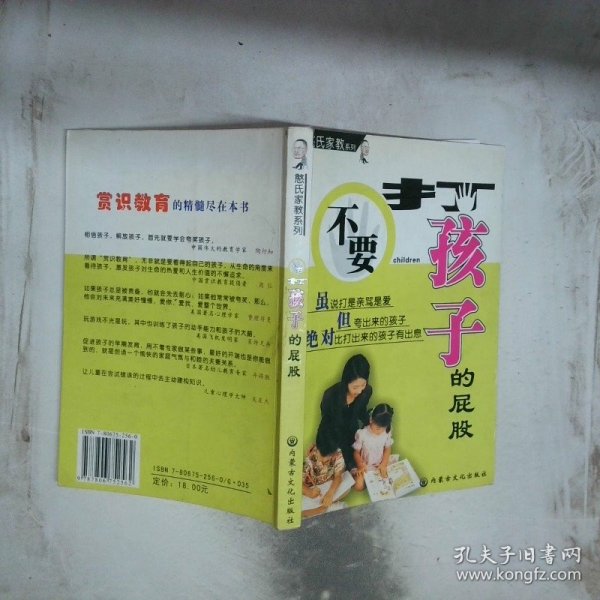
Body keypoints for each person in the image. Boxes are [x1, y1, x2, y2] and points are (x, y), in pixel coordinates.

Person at [319, 354, 372, 470]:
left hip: (352, 432)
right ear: (346, 381)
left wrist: (371, 424)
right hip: (333, 434)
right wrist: (321, 447)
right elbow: (327, 422)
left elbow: (361, 411)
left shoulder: (367, 391)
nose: (359, 391)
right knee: (333, 468)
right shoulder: (330, 395)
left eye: (363, 385)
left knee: (357, 465)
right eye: (355, 387)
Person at [301, 427, 349, 518]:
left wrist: (330, 493)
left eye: (327, 458)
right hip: (313, 490)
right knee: (299, 509)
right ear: (317, 447)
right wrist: (309, 492)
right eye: (321, 456)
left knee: (347, 486)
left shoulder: (338, 454)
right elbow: (298, 482)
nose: (323, 461)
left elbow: (338, 476)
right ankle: (325, 509)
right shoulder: (310, 455)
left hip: (327, 486)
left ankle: (321, 509)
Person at [352, 403, 394, 492]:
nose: (380, 431)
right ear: (371, 420)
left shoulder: (387, 431)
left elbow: (388, 448)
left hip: (380, 464)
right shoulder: (362, 434)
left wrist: (384, 464)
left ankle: (374, 482)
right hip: (365, 465)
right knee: (358, 486)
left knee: (391, 480)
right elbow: (356, 452)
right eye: (378, 428)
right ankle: (370, 482)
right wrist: (360, 465)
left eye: (383, 428)